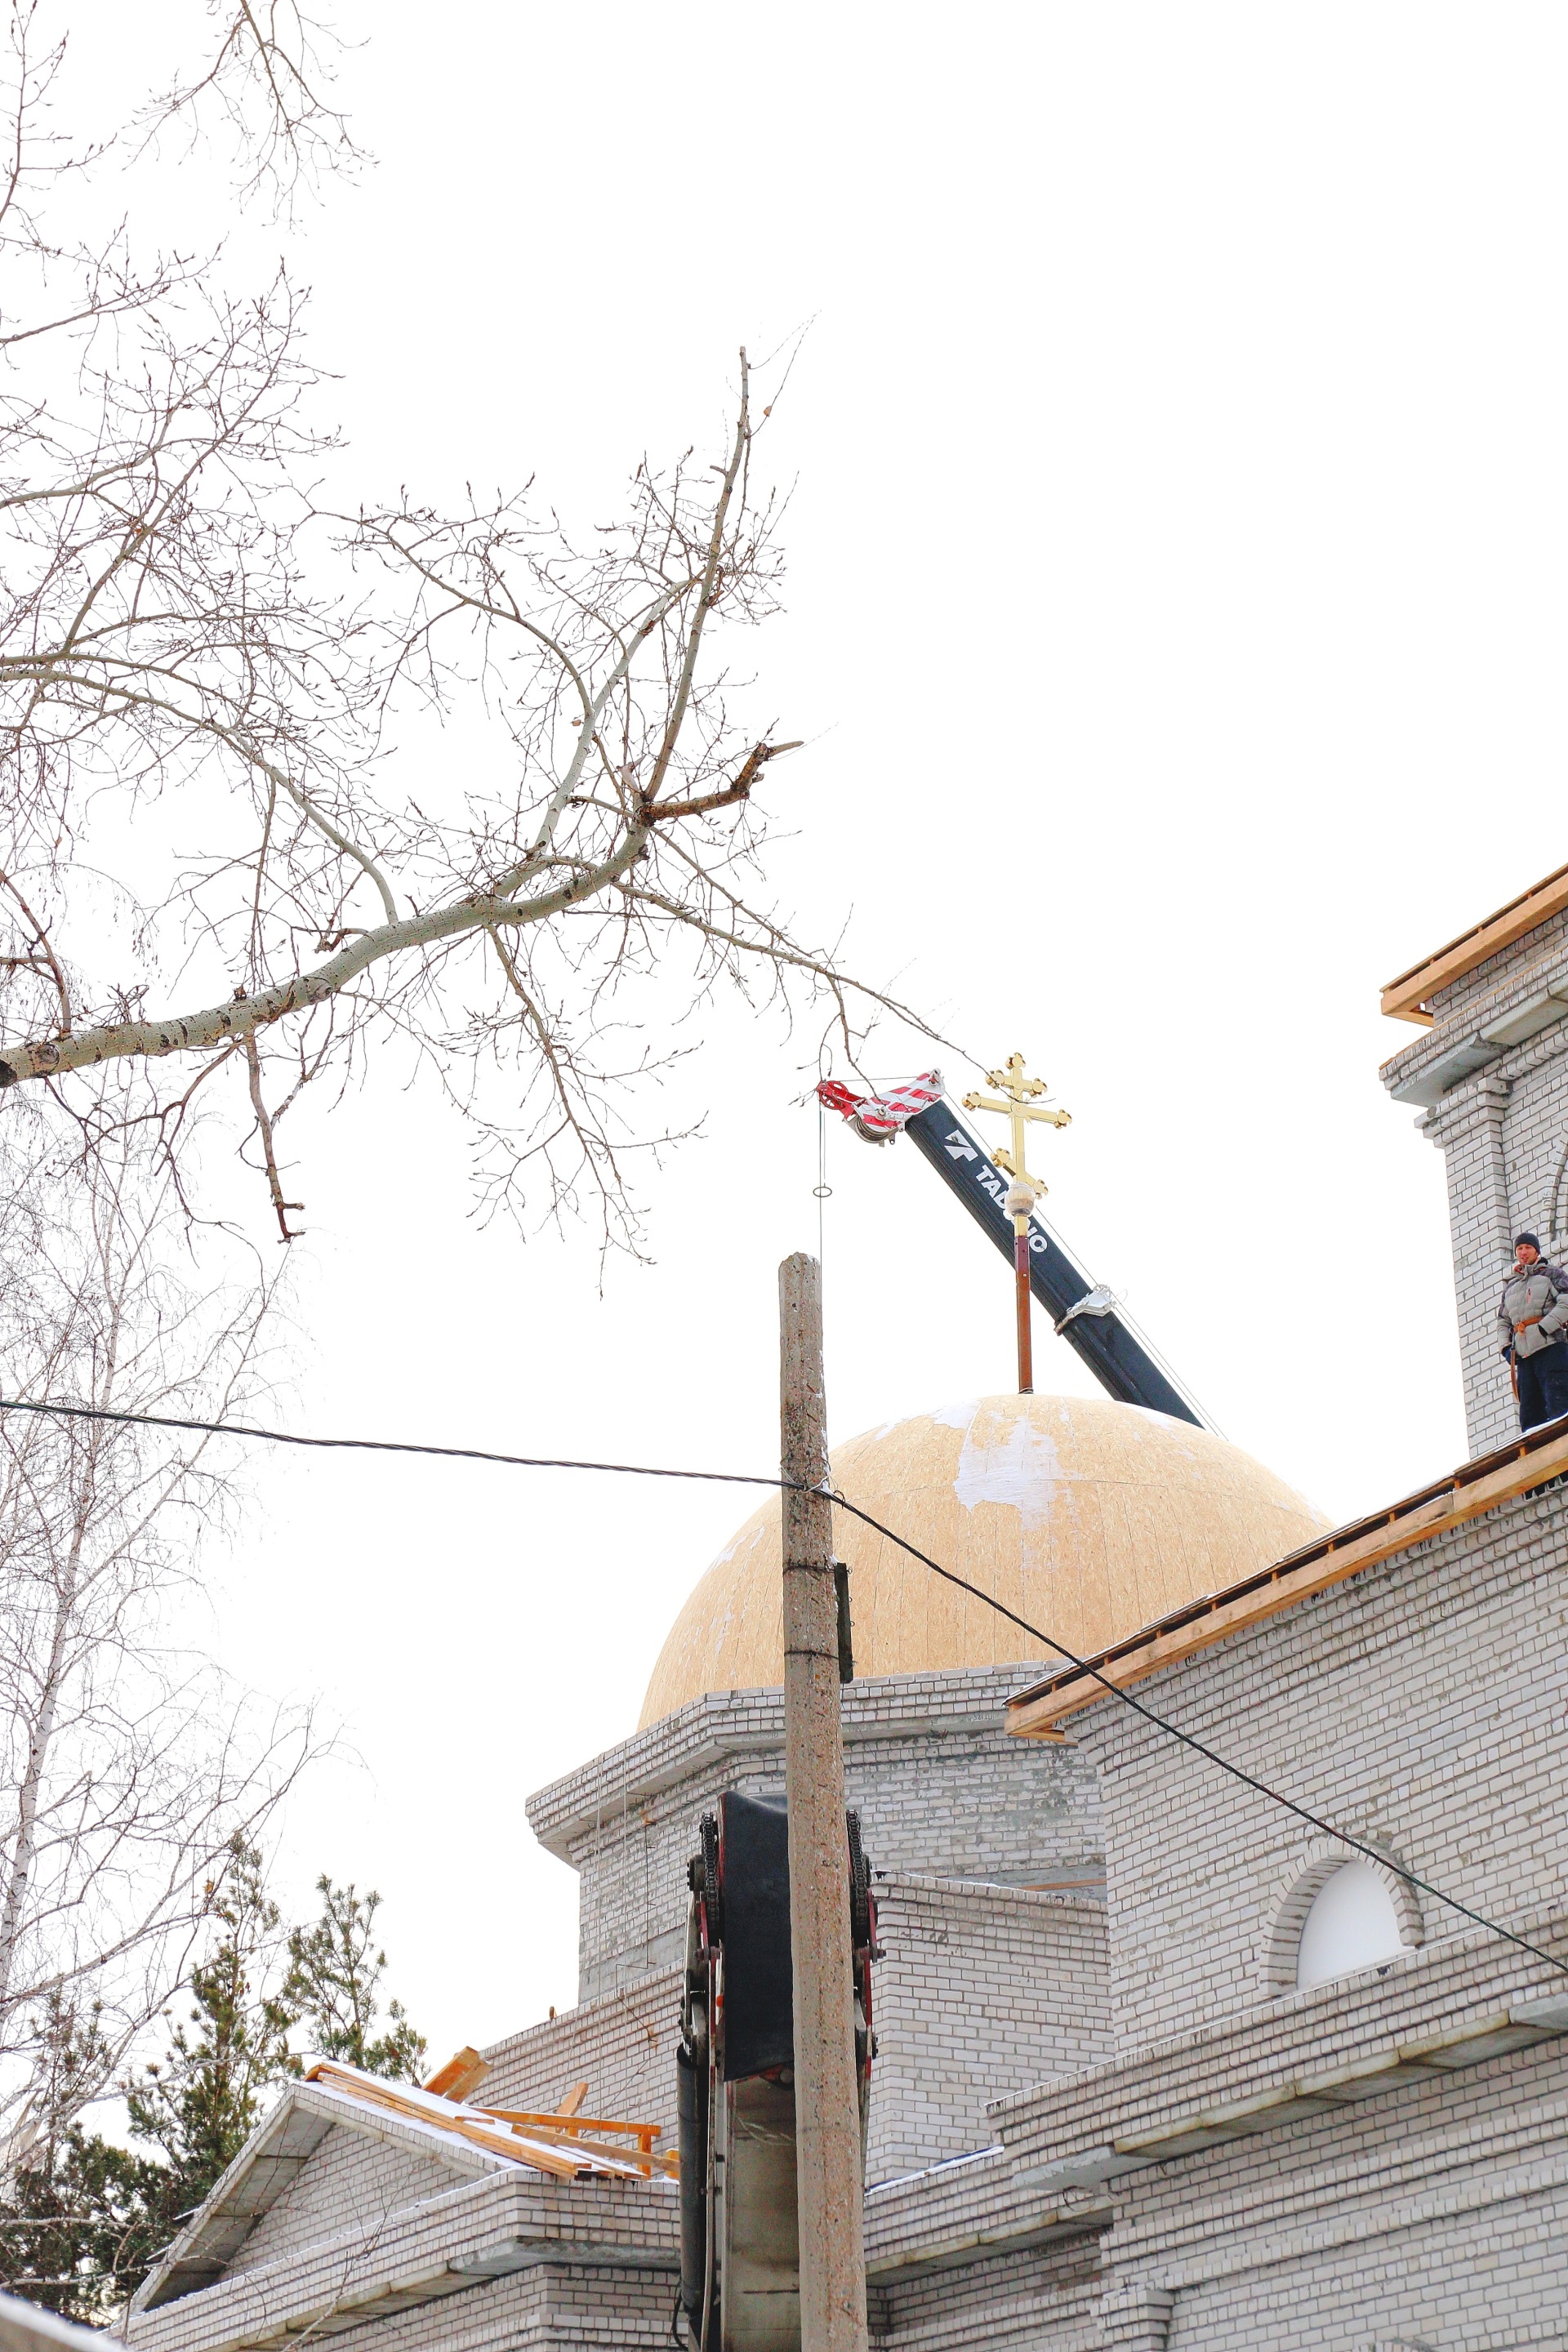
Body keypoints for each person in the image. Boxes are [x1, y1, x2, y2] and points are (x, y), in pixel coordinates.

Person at [1498, 1232, 1568, 1433]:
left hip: (1551, 1349)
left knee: (1558, 1403)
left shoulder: (1551, 1274)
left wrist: (1544, 1328)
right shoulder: (1511, 1288)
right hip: (1525, 1356)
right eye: (1519, 1249)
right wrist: (1505, 1348)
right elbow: (1503, 1321)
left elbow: (1566, 1301)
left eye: (1528, 1247)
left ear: (1536, 1251)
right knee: (1529, 1414)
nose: (1523, 1252)